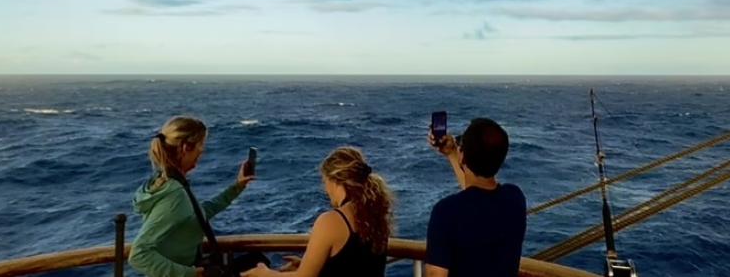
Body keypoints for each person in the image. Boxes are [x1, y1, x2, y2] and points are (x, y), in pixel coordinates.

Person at [128, 115, 259, 277]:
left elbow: (195, 214)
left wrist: (237, 187)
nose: (202, 150)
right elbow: (139, 255)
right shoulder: (174, 194)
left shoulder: (163, 180)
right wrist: (188, 273)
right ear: (185, 147)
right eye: (200, 144)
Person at [246, 146, 393, 277]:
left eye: (324, 182)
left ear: (335, 180)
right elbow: (356, 264)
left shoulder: (331, 221)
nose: (325, 189)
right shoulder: (376, 215)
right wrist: (311, 264)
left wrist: (265, 273)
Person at [423, 117, 527, 277]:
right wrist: (452, 154)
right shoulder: (515, 199)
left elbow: (434, 275)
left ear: (463, 157)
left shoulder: (446, 213)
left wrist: (455, 155)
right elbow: (479, 196)